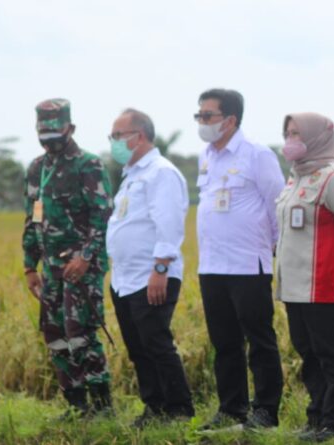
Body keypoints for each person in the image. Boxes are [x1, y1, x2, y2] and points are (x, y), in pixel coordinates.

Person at [194, 88, 286, 431]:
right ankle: (231, 409)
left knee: (260, 341)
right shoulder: (206, 155)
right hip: (212, 266)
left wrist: (278, 252)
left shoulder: (257, 155)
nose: (201, 122)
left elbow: (277, 205)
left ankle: (265, 411)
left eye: (208, 116)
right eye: (199, 116)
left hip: (249, 264)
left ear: (230, 120)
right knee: (224, 343)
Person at [22, 98, 113, 419]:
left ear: (70, 128)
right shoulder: (37, 168)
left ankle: (102, 408)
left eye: (54, 129)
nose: (48, 137)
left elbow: (102, 214)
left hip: (81, 268)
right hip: (51, 269)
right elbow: (31, 218)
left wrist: (86, 257)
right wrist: (29, 266)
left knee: (81, 332)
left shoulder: (87, 165)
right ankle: (77, 405)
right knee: (55, 334)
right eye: (41, 130)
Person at [105, 108, 194, 427]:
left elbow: (168, 224)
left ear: (138, 136)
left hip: (151, 275)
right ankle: (154, 407)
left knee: (156, 343)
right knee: (138, 347)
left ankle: (179, 410)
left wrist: (160, 269)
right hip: (125, 278)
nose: (113, 142)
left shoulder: (161, 172)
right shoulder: (133, 174)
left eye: (117, 135)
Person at [275, 112, 334, 442]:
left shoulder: (333, 179)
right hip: (293, 284)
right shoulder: (295, 178)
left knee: (330, 354)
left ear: (317, 137)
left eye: (297, 134)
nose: (291, 141)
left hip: (321, 280)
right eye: (288, 134)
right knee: (308, 353)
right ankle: (316, 415)